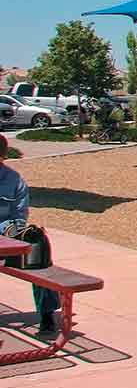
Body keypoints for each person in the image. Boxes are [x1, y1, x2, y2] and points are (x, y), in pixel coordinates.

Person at [0, 134, 59, 333]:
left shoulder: (14, 180)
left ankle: (47, 313)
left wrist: (10, 232)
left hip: (6, 240)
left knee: (38, 251)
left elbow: (19, 216)